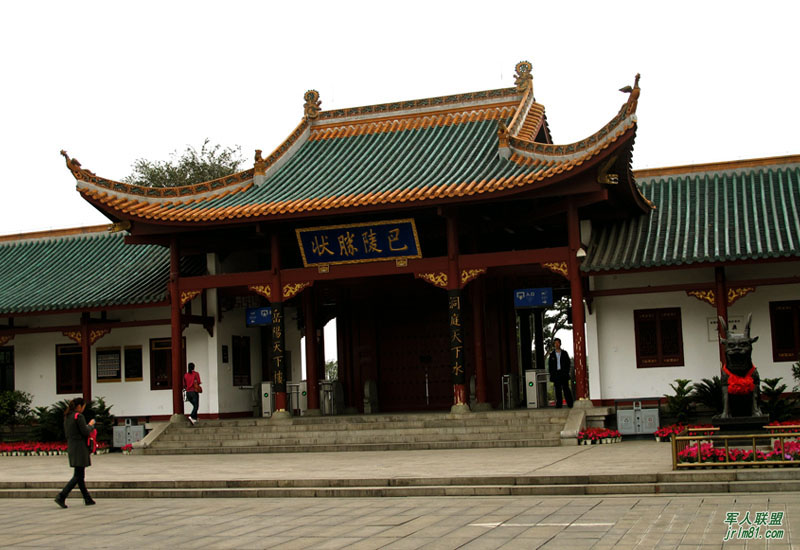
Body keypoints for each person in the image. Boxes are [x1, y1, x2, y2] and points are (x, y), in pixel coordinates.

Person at [55, 397, 96, 508]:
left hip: (72, 446)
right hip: (80, 448)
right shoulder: (79, 416)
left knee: (79, 474)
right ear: (79, 406)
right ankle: (62, 496)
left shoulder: (67, 416)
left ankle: (87, 498)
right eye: (83, 407)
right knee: (78, 475)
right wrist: (90, 425)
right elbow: (85, 431)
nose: (83, 409)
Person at [547, 338, 574, 409]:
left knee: (566, 389)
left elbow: (568, 363)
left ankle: (570, 403)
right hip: (556, 374)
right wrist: (552, 374)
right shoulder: (552, 354)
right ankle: (559, 404)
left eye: (558, 343)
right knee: (557, 390)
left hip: (563, 373)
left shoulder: (564, 353)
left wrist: (566, 371)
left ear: (560, 344)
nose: (556, 344)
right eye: (555, 343)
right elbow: (550, 365)